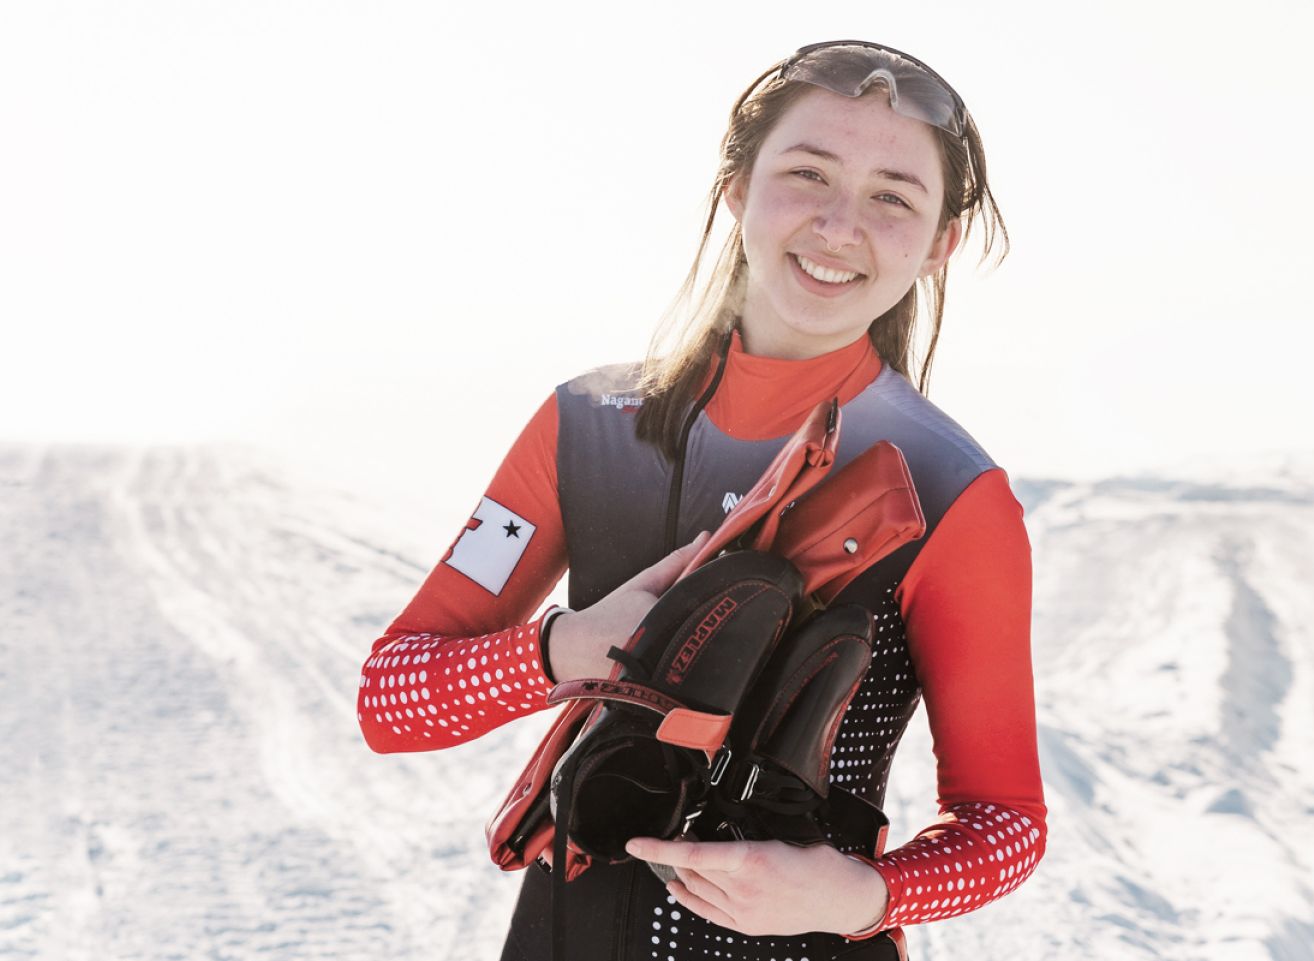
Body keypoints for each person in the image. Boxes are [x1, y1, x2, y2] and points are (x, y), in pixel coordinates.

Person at [358, 40, 1047, 961]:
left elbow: (1007, 820)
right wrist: (566, 645)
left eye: (892, 196)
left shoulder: (953, 490)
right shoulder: (585, 424)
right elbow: (391, 699)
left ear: (937, 245)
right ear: (736, 186)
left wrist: (862, 893)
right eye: (809, 173)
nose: (841, 224)